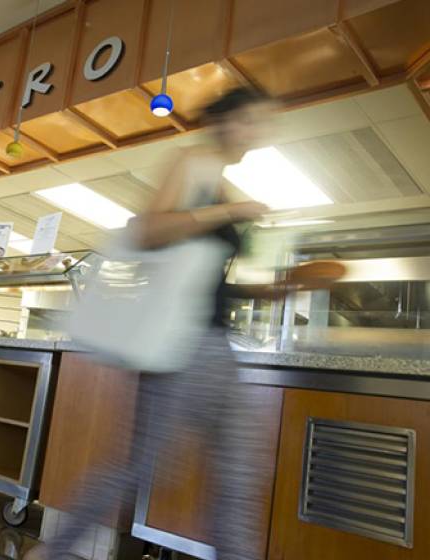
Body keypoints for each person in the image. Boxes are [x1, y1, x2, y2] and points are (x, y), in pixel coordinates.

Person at [27, 89, 313, 560]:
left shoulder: (219, 181)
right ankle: (51, 550)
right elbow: (148, 231)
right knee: (141, 464)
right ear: (223, 120)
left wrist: (275, 289)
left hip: (215, 344)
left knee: (240, 470)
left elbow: (205, 281)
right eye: (250, 120)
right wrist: (230, 212)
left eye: (263, 123)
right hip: (180, 344)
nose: (257, 132)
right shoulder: (192, 162)